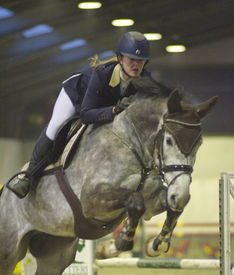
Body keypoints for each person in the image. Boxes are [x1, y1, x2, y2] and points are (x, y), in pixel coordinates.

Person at [8, 31, 151, 198]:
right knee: (55, 127)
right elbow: (86, 114)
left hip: (101, 106)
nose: (136, 65)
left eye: (140, 61)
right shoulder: (101, 74)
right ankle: (28, 175)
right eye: (131, 59)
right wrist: (113, 111)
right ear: (120, 58)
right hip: (76, 96)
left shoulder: (145, 81)